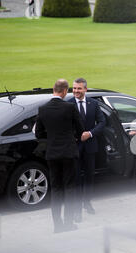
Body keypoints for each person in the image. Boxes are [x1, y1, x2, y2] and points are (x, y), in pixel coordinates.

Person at [35, 79, 84, 233]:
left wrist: (51, 139)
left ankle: (57, 225)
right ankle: (69, 224)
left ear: (54, 89)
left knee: (56, 189)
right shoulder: (69, 107)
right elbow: (80, 129)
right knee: (69, 188)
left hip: (52, 153)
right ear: (64, 91)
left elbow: (38, 133)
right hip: (69, 152)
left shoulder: (43, 109)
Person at [67, 78, 105, 222]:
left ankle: (87, 202)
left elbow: (102, 122)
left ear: (85, 90)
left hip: (90, 147)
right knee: (76, 178)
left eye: (79, 88)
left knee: (89, 176)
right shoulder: (68, 104)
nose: (76, 91)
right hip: (74, 147)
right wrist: (76, 136)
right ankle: (76, 209)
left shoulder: (94, 104)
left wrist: (90, 133)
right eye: (74, 88)